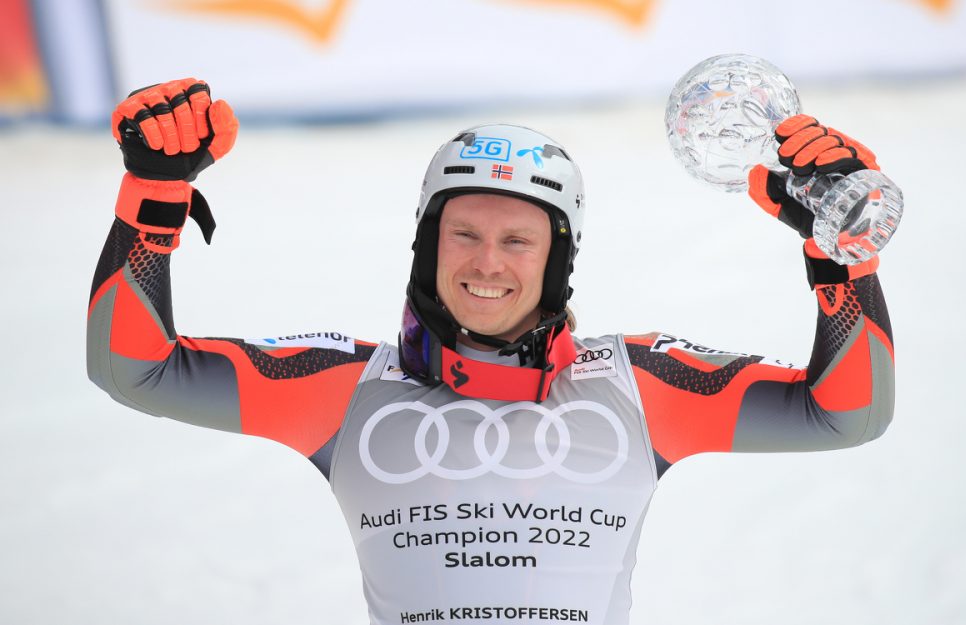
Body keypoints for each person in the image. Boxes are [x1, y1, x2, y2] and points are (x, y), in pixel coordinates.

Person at [87, 78, 895, 625]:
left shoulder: (638, 384)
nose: (486, 262)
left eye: (517, 239)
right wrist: (153, 199)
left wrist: (841, 256)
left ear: (557, 258)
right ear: (426, 245)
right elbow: (135, 366)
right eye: (463, 233)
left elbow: (845, 413)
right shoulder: (344, 386)